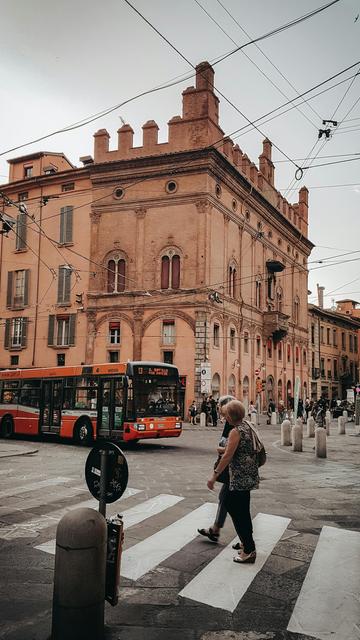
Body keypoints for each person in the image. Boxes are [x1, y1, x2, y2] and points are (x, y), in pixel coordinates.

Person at [208, 399, 259, 564]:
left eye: (226, 415)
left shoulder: (235, 431)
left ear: (231, 416)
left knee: (236, 510)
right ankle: (246, 543)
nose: (225, 418)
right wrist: (228, 448)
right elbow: (245, 449)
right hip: (249, 475)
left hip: (238, 477)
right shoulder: (248, 426)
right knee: (242, 510)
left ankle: (249, 550)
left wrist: (214, 475)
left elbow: (228, 456)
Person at [197, 395, 235, 543]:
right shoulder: (230, 423)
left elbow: (228, 452)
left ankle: (246, 543)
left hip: (234, 471)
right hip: (234, 472)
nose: (219, 411)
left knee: (235, 506)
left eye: (221, 408)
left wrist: (214, 476)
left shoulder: (234, 426)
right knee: (227, 500)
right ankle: (216, 529)